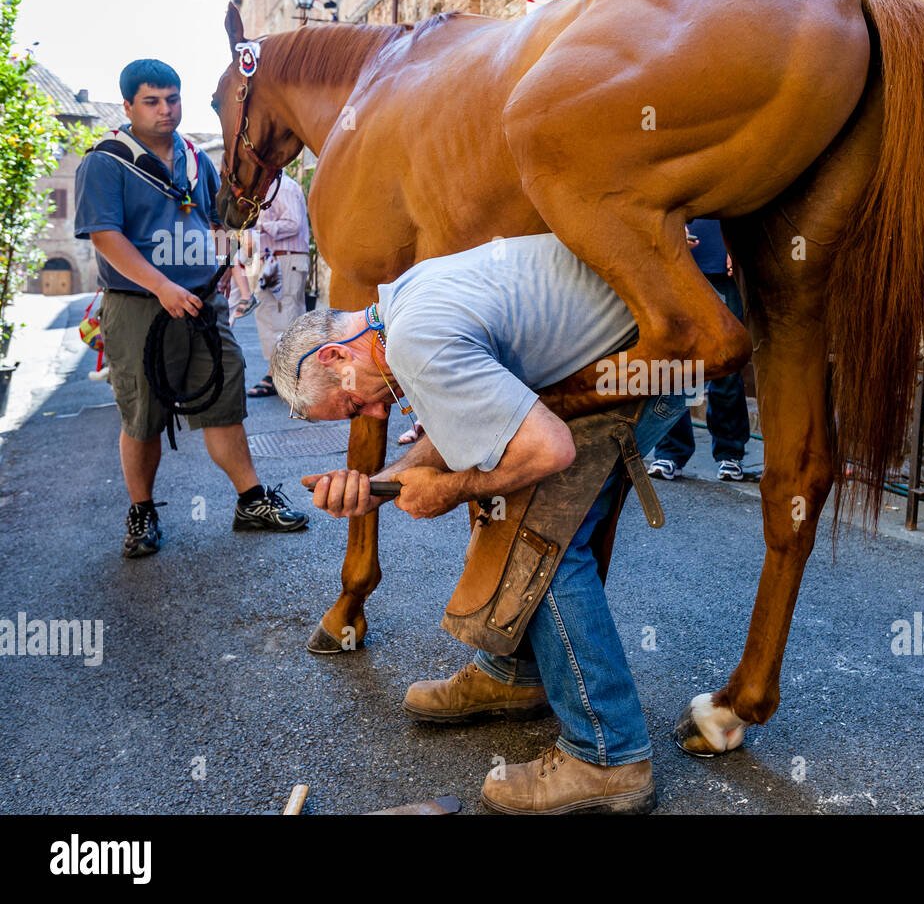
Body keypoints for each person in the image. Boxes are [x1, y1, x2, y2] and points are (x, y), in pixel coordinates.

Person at [272, 233, 686, 815]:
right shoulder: (399, 308)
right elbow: (465, 416)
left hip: (647, 365)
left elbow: (550, 452)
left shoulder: (414, 341)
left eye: (350, 406)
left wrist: (449, 489)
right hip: (622, 349)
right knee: (509, 509)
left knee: (542, 540)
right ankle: (514, 676)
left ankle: (609, 756)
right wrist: (378, 488)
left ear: (334, 356)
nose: (374, 413)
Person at [74, 59, 308, 559]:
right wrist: (162, 287)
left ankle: (250, 501)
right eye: (152, 101)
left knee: (223, 402)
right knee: (143, 414)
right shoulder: (105, 160)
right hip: (140, 305)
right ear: (128, 106)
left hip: (203, 301)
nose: (166, 110)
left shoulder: (197, 158)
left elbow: (214, 218)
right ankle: (142, 513)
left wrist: (224, 259)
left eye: (173, 99)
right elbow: (105, 236)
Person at [646, 218, 752, 481]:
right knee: (673, 362)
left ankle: (730, 455)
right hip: (675, 263)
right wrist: (671, 225)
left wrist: (739, 244)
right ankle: (670, 453)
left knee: (727, 363)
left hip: (720, 262)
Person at [245, 173, 310, 398]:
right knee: (272, 316)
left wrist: (261, 224)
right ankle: (280, 373)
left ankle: (283, 376)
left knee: (284, 317)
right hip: (278, 259)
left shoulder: (284, 188)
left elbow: (294, 223)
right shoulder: (273, 188)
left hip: (286, 259)